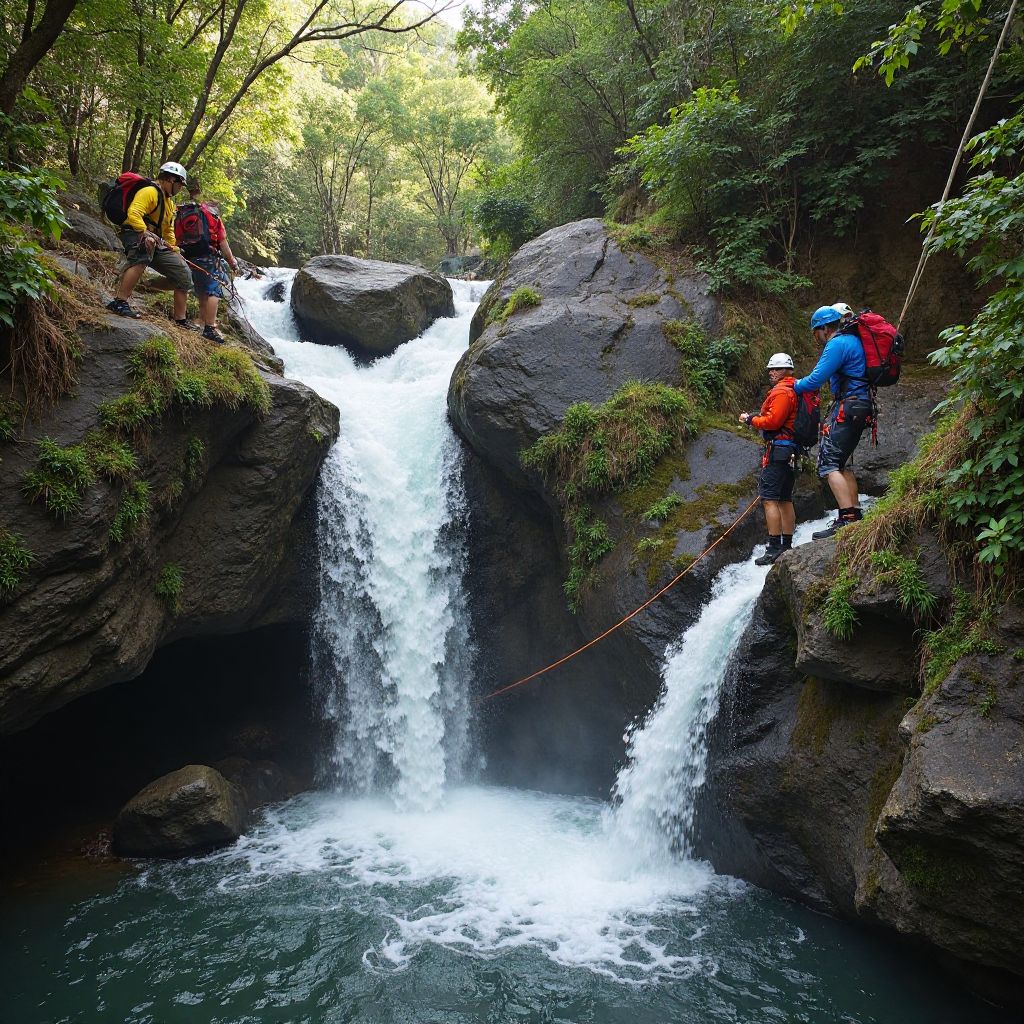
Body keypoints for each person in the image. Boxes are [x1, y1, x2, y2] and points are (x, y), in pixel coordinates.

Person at [794, 305, 873, 539]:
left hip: (849, 407)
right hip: (861, 405)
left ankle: (846, 518)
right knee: (841, 462)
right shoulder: (854, 341)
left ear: (825, 328)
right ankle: (854, 514)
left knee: (828, 463)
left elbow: (815, 379)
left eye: (816, 332)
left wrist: (793, 385)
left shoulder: (837, 344)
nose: (816, 337)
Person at [106, 161, 195, 327]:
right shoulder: (149, 192)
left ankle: (180, 320)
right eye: (180, 184)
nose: (180, 188)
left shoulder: (169, 204)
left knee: (184, 275)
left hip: (156, 240)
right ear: (170, 179)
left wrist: (174, 248)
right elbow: (134, 214)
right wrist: (145, 232)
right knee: (144, 249)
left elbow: (168, 230)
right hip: (134, 233)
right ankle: (119, 302)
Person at [740, 353, 799, 565]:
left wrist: (751, 420)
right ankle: (786, 544)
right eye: (771, 369)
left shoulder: (783, 391)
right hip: (790, 450)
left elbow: (774, 422)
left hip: (780, 451)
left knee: (769, 498)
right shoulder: (796, 389)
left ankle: (775, 547)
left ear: (786, 370)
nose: (772, 372)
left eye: (776, 369)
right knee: (783, 498)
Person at [174, 181, 239, 344]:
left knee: (199, 290)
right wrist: (232, 262)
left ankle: (198, 321)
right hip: (208, 257)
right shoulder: (213, 216)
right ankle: (210, 327)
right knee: (213, 291)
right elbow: (223, 242)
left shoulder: (186, 212)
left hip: (186, 255)